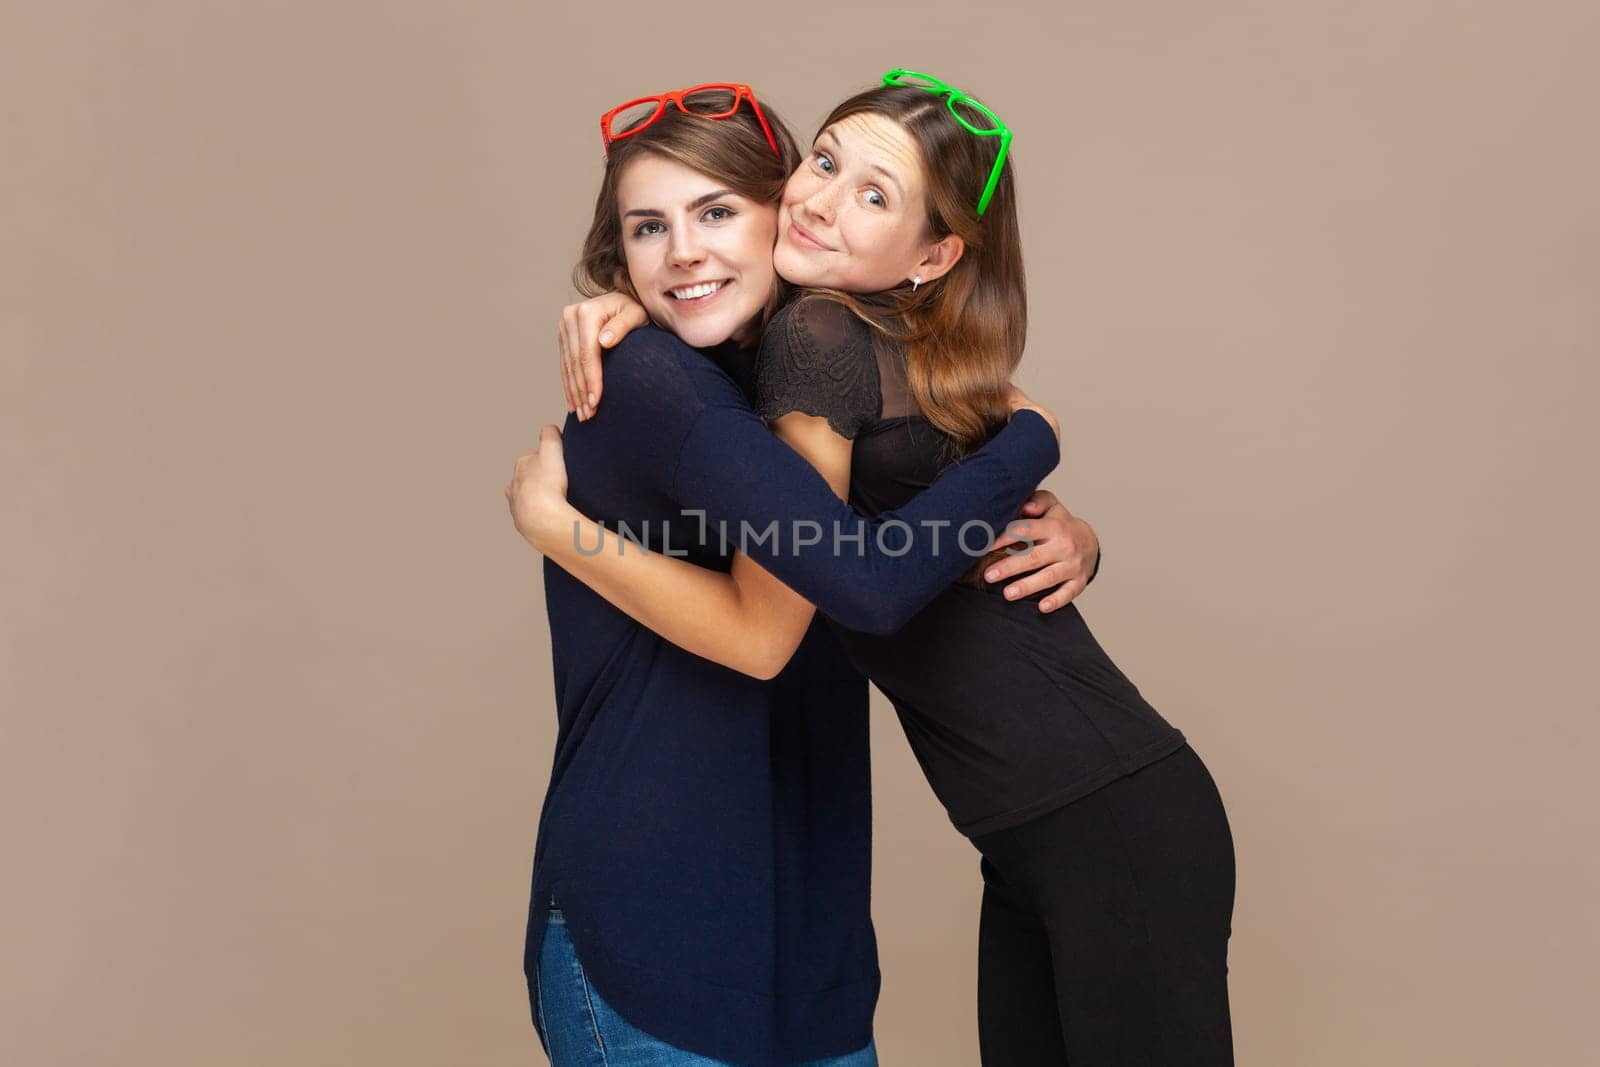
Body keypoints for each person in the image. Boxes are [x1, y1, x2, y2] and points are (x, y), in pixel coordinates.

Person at [522, 72, 1235, 1065]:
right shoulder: (708, 368)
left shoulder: (819, 349)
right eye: (647, 227)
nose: (683, 248)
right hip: (719, 921)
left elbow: (904, 526)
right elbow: (829, 592)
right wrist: (1030, 438)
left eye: (717, 210)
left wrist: (1065, 515)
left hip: (993, 857)